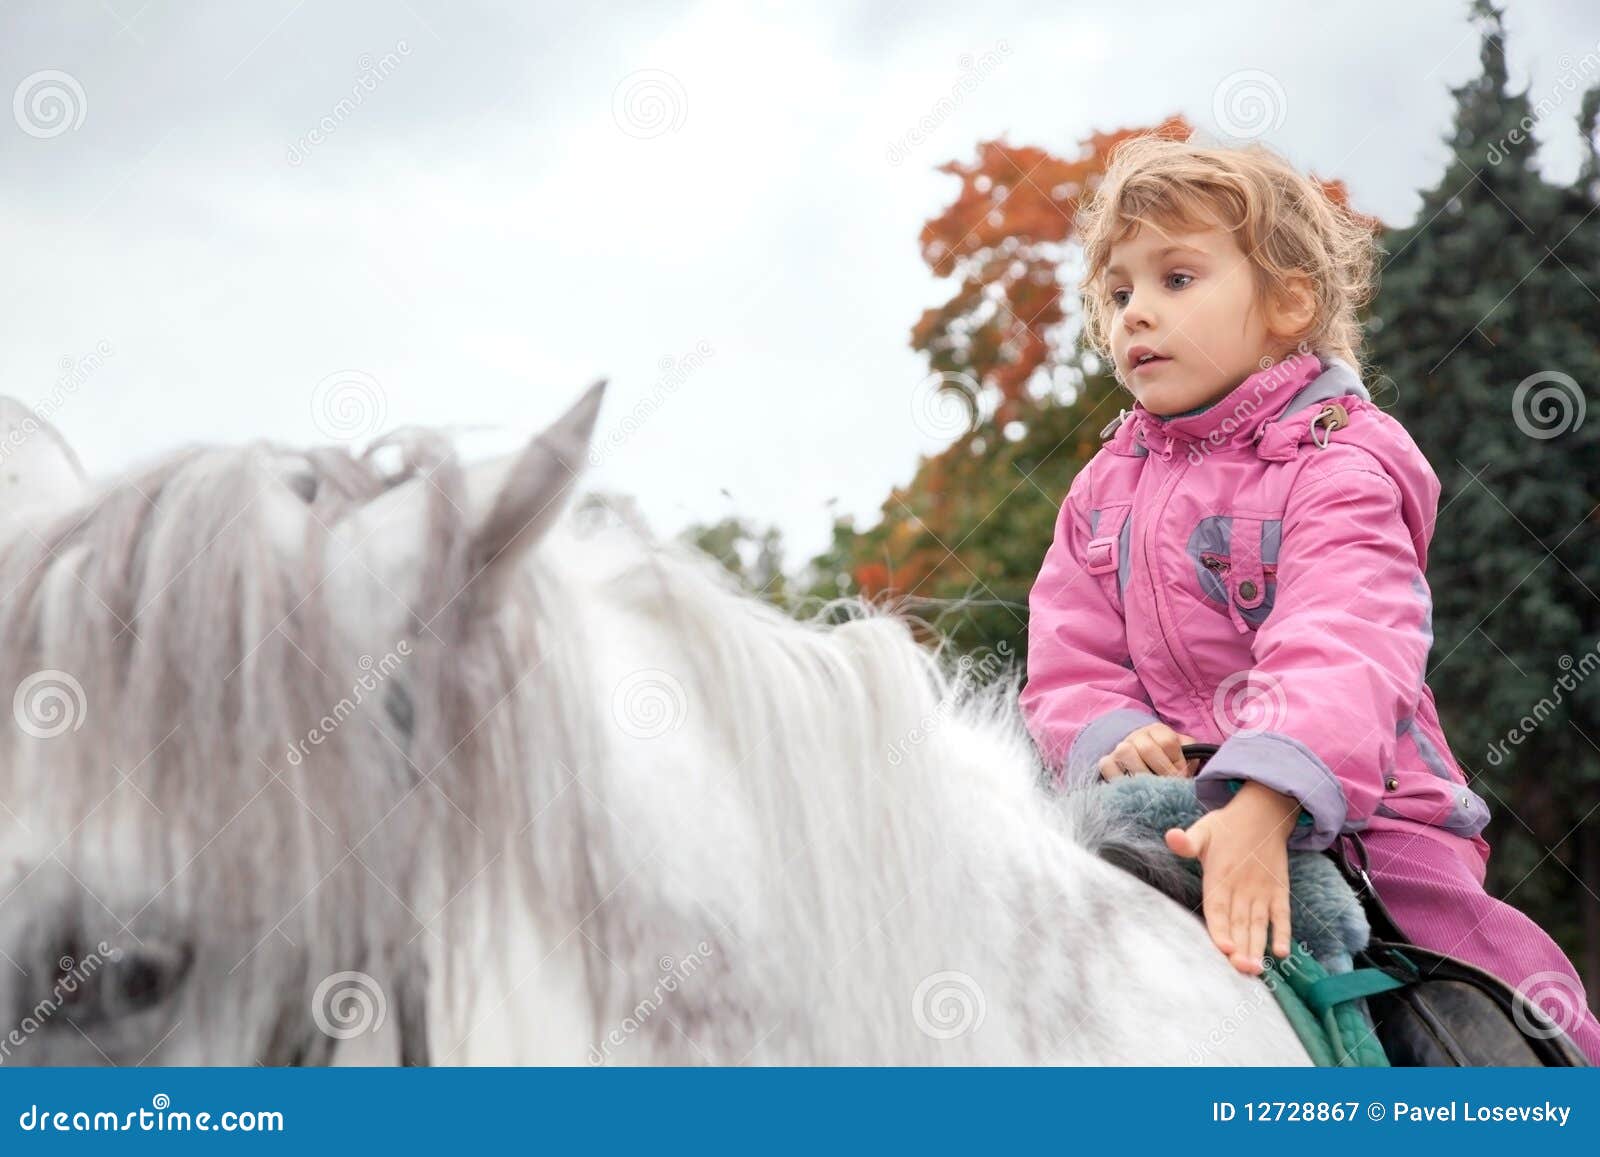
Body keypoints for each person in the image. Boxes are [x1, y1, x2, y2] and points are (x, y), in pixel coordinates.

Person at [1018, 132, 1600, 1062]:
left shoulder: (1341, 461)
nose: (1136, 314)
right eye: (1119, 292)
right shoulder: (1099, 489)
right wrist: (1103, 733)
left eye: (1176, 279)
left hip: (1369, 820)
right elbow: (1066, 660)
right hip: (1153, 807)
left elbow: (1347, 639)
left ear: (1287, 302)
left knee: (1498, 1007)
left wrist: (1265, 800)